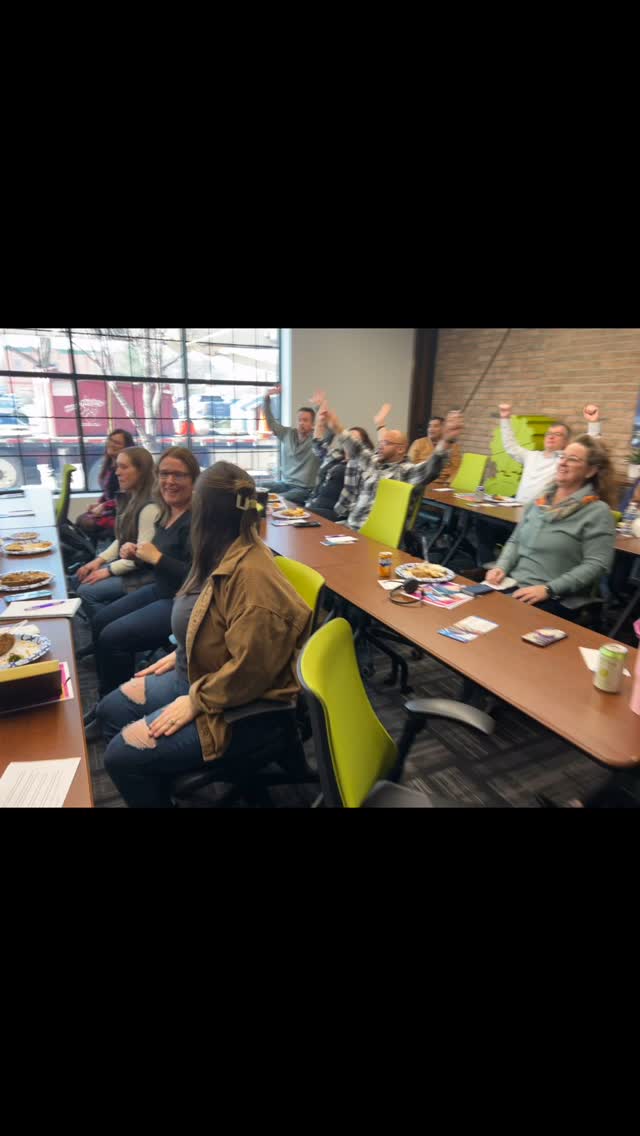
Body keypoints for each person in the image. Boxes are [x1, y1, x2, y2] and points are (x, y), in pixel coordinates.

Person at [96, 462, 313, 808]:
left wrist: (196, 700)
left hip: (238, 705)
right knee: (111, 710)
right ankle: (162, 778)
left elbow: (252, 672)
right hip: (202, 672)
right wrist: (184, 648)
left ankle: (155, 777)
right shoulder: (222, 551)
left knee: (121, 757)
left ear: (205, 513)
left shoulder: (254, 581)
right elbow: (211, 617)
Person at [84, 448, 199, 726]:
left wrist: (156, 557)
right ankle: (106, 699)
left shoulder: (196, 520)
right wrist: (136, 553)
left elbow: (199, 576)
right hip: (160, 589)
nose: (170, 481)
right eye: (164, 474)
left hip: (181, 601)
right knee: (100, 621)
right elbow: (155, 562)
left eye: (178, 475)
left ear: (194, 479)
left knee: (113, 638)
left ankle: (117, 708)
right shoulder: (166, 513)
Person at [484, 435, 616, 617]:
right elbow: (515, 540)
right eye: (562, 457)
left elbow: (597, 564)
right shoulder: (539, 501)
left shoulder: (597, 512)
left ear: (590, 471)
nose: (563, 463)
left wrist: (549, 589)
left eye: (573, 459)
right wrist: (501, 567)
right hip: (510, 585)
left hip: (551, 597)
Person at [474, 403, 603, 567]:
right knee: (482, 522)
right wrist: (505, 418)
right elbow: (510, 446)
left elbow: (591, 450)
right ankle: (486, 566)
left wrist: (593, 423)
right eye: (549, 433)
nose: (551, 436)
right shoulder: (531, 456)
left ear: (566, 442)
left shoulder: (563, 461)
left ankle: (509, 565)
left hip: (539, 518)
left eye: (558, 435)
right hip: (515, 513)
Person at [332, 404, 464, 531]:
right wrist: (335, 425)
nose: (380, 446)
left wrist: (447, 440)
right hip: (351, 526)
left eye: (386, 443)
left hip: (372, 535)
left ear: (400, 449)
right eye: (381, 442)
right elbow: (355, 448)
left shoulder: (405, 472)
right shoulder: (374, 462)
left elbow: (432, 466)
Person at [75, 446, 159, 623]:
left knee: (86, 591)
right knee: (78, 579)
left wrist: (109, 571)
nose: (117, 472)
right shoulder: (131, 498)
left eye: (123, 467)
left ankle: (111, 636)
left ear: (141, 471)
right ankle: (106, 632)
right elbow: (122, 540)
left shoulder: (150, 507)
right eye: (117, 467)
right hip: (131, 566)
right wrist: (98, 561)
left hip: (145, 575)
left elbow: (142, 556)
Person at [306, 401, 374, 520]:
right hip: (315, 504)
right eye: (348, 438)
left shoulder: (360, 465)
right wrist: (319, 422)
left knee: (298, 516)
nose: (348, 442)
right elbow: (318, 447)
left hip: (335, 513)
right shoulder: (338, 456)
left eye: (354, 439)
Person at [261, 388, 320, 504]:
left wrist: (319, 407)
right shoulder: (287, 433)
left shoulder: (317, 440)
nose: (301, 423)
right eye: (299, 420)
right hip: (285, 484)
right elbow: (271, 422)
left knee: (277, 499)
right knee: (260, 488)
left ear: (313, 424)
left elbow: (330, 431)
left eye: (305, 420)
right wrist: (266, 399)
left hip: (304, 489)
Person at [75, 429, 135, 540]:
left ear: (126, 448)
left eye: (117, 443)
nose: (112, 444)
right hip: (112, 510)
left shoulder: (127, 470)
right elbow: (108, 493)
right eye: (111, 440)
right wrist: (98, 504)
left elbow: (127, 496)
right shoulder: (109, 466)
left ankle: (93, 553)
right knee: (81, 520)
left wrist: (103, 506)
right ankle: (90, 553)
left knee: (85, 522)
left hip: (124, 513)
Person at [408, 415, 463, 488]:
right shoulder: (418, 443)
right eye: (429, 426)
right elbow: (410, 466)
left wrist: (448, 484)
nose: (431, 429)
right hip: (421, 483)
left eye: (435, 426)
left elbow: (456, 469)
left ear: (443, 429)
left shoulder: (454, 447)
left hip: (442, 485)